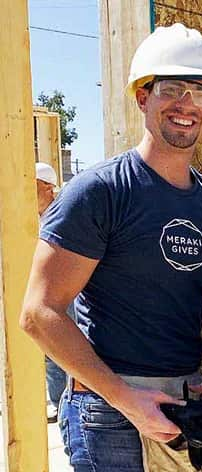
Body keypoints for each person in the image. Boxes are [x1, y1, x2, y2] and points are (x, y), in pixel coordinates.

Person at [21, 23, 202, 471]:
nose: (186, 105)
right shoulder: (100, 192)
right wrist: (126, 400)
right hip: (109, 413)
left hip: (182, 405)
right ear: (143, 97)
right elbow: (39, 314)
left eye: (200, 93)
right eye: (171, 89)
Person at [35, 162, 69, 422]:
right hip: (38, 290)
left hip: (66, 290)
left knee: (63, 348)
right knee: (48, 352)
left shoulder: (62, 214)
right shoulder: (24, 218)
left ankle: (63, 403)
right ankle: (58, 400)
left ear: (47, 188)